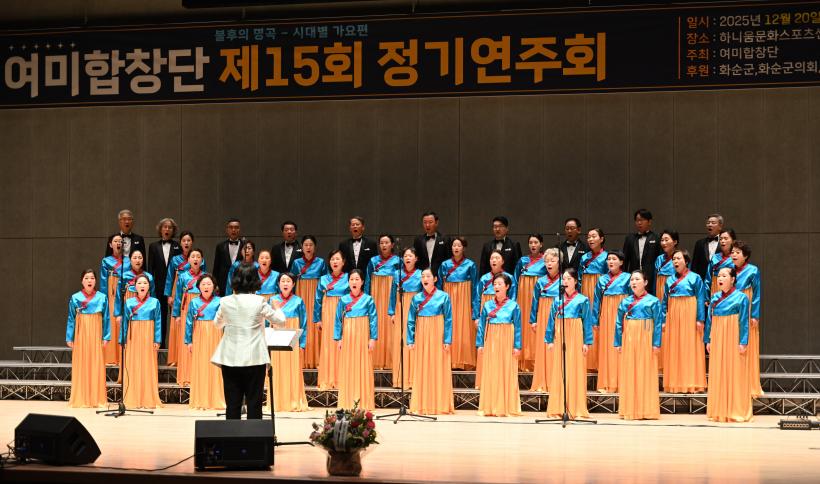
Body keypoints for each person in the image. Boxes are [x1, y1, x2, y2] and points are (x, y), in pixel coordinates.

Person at [211, 264, 286, 420]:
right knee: (254, 403)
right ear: (255, 280)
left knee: (232, 403)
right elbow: (280, 322)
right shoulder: (259, 301)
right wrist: (277, 308)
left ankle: (232, 435)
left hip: (230, 358)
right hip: (254, 358)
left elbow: (217, 324)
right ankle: (254, 435)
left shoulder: (225, 301)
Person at [704, 267, 752, 422]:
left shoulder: (742, 298)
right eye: (719, 276)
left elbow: (744, 322)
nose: (720, 278)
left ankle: (736, 409)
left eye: (724, 276)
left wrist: (743, 341)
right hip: (718, 336)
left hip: (733, 335)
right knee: (718, 369)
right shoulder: (714, 298)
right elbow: (709, 321)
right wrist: (708, 339)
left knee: (735, 370)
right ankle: (719, 409)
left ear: (732, 279)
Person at [614, 271, 662, 420]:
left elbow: (658, 323)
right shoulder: (625, 302)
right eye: (632, 280)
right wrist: (618, 342)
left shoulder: (653, 301)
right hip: (629, 337)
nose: (633, 282)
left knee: (645, 370)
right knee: (629, 370)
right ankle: (630, 408)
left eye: (637, 279)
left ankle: (647, 409)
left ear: (645, 282)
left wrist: (656, 343)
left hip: (646, 335)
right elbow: (618, 323)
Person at [545, 268, 592, 419]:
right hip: (561, 335)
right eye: (564, 279)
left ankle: (576, 407)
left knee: (575, 368)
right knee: (560, 369)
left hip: (576, 335)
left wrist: (587, 342)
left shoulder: (583, 300)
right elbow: (551, 321)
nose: (565, 281)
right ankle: (558, 407)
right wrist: (549, 340)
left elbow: (587, 322)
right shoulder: (557, 300)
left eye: (568, 279)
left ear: (575, 281)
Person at [407, 268, 455, 415]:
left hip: (437, 332)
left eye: (428, 276)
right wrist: (410, 339)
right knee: (422, 365)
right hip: (422, 332)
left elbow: (448, 319)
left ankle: (440, 404)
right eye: (423, 276)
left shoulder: (444, 296)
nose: (425, 279)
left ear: (435, 279)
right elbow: (410, 320)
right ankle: (422, 403)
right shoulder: (416, 298)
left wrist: (447, 339)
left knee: (438, 365)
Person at [476, 273, 522, 417]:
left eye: (500, 284)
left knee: (506, 370)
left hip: (507, 339)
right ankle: (490, 406)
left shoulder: (514, 306)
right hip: (491, 340)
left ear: (507, 287)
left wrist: (517, 346)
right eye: (495, 284)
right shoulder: (487, 305)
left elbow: (518, 327)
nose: (496, 286)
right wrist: (480, 344)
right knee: (491, 370)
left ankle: (506, 406)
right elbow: (482, 326)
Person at [661, 249, 707, 393]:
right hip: (674, 314)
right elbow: (664, 302)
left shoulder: (695, 278)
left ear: (686, 261)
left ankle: (692, 382)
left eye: (678, 258)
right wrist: (663, 320)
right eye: (673, 259)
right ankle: (675, 382)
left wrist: (700, 319)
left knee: (690, 346)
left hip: (690, 313)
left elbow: (700, 299)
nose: (675, 261)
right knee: (675, 346)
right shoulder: (669, 280)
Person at [334, 269, 378, 411]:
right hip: (348, 336)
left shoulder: (368, 299)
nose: (354, 282)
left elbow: (373, 320)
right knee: (348, 366)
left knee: (363, 366)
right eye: (352, 279)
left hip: (363, 335)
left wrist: (373, 338)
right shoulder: (343, 300)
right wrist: (338, 338)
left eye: (357, 279)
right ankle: (347, 401)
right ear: (348, 282)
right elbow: (338, 320)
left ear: (362, 282)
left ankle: (363, 401)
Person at [66, 269, 110, 408]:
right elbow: (71, 319)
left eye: (92, 278)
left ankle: (96, 398)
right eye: (86, 278)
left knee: (96, 364)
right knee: (82, 364)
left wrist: (106, 336)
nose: (89, 280)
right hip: (81, 335)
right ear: (82, 281)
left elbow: (107, 318)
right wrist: (69, 337)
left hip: (96, 334)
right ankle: (82, 397)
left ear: (95, 281)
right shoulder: (75, 298)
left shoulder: (102, 297)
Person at [475, 250, 517, 388]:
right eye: (492, 258)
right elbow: (477, 298)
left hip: (504, 312)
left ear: (502, 261)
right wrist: (476, 316)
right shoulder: (484, 278)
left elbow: (513, 297)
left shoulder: (509, 278)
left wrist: (506, 310)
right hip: (488, 311)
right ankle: (485, 382)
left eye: (497, 258)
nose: (494, 260)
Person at [268, 272, 309, 412]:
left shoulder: (298, 301)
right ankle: (277, 402)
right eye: (283, 281)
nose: (285, 283)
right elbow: (267, 323)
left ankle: (293, 401)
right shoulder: (272, 300)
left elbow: (303, 324)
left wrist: (302, 344)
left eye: (288, 281)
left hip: (293, 339)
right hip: (276, 338)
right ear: (278, 284)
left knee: (293, 370)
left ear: (293, 284)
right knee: (277, 369)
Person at [120, 274, 162, 409]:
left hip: (148, 335)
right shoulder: (129, 302)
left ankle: (148, 398)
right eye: (139, 283)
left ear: (149, 286)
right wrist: (123, 339)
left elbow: (158, 322)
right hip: (133, 336)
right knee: (134, 364)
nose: (142, 285)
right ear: (135, 286)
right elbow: (124, 322)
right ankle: (133, 397)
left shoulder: (155, 302)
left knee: (148, 365)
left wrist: (157, 339)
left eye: (145, 283)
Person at [437, 237, 479, 371]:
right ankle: (449, 360)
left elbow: (475, 287)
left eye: (459, 245)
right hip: (448, 298)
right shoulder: (444, 265)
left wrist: (474, 308)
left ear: (464, 248)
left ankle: (463, 361)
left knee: (463, 328)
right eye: (454, 245)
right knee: (449, 326)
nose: (456, 248)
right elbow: (438, 287)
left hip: (464, 301)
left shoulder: (470, 265)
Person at [164, 231, 205, 367]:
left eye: (189, 240)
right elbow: (170, 277)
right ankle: (177, 357)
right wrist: (169, 295)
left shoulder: (200, 260)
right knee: (179, 326)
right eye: (184, 240)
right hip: (181, 293)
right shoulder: (175, 260)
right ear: (180, 243)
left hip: (197, 294)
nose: (186, 243)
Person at [591, 251, 631, 392]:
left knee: (623, 345)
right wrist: (595, 321)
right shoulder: (602, 279)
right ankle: (608, 381)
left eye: (614, 259)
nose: (611, 261)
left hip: (623, 313)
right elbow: (596, 301)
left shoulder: (628, 278)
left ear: (621, 262)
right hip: (607, 314)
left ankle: (624, 381)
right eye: (608, 259)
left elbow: (633, 298)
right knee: (608, 346)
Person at [184, 274, 225, 410]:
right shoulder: (194, 302)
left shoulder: (220, 301)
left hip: (216, 333)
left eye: (209, 284)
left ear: (214, 286)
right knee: (200, 365)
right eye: (203, 284)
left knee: (215, 366)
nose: (206, 286)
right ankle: (200, 399)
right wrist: (188, 341)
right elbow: (189, 322)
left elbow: (225, 321)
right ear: (199, 287)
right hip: (199, 334)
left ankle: (216, 399)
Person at [314, 250, 349, 390]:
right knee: (328, 344)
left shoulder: (349, 278)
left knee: (342, 343)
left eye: (337, 259)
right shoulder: (323, 279)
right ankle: (328, 378)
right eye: (332, 259)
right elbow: (317, 300)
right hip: (328, 313)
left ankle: (342, 378)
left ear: (343, 262)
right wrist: (317, 319)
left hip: (344, 312)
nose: (335, 262)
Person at [731, 240, 763, 397]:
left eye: (737, 252)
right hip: (731, 308)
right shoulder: (729, 270)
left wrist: (754, 315)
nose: (734, 255)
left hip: (746, 306)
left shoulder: (753, 270)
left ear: (745, 256)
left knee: (746, 344)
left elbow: (756, 294)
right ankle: (734, 383)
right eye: (732, 252)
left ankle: (749, 384)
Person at [365, 234, 400, 370]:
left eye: (387, 242)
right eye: (381, 243)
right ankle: (376, 359)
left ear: (392, 245)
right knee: (376, 323)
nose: (384, 245)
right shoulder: (373, 261)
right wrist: (366, 298)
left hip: (391, 295)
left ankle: (391, 361)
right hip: (377, 294)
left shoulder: (398, 261)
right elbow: (368, 280)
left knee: (390, 325)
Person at [292, 235, 328, 370]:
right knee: (303, 322)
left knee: (315, 324)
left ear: (315, 247)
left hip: (316, 295)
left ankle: (317, 359)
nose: (308, 247)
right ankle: (302, 359)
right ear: (302, 247)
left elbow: (325, 280)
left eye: (311, 245)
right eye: (306, 245)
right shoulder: (296, 263)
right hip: (301, 293)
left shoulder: (321, 262)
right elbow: (292, 282)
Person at [171, 248, 206, 386]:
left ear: (202, 260)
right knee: (187, 341)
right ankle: (186, 376)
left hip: (202, 309)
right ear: (189, 260)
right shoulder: (183, 276)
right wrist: (177, 315)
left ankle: (200, 375)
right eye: (193, 256)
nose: (195, 259)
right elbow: (178, 297)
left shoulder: (206, 277)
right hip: (186, 310)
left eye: (198, 256)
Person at [389, 247, 422, 389]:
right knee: (400, 340)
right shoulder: (397, 274)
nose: (407, 258)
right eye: (405, 256)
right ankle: (400, 379)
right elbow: (392, 294)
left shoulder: (421, 274)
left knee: (413, 340)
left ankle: (414, 379)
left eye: (410, 256)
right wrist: (392, 312)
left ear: (416, 259)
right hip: (400, 307)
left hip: (415, 308)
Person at [529, 248, 561, 392]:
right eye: (547, 261)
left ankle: (557, 381)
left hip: (559, 314)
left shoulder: (564, 280)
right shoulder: (540, 282)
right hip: (543, 315)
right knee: (544, 346)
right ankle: (543, 380)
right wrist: (533, 320)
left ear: (559, 263)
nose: (549, 263)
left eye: (553, 261)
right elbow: (534, 302)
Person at [514, 234, 547, 371]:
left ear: (541, 244)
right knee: (524, 323)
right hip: (523, 296)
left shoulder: (546, 260)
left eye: (536, 242)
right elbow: (515, 281)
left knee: (536, 323)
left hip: (538, 295)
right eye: (531, 242)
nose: (533, 245)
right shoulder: (523, 260)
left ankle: (536, 359)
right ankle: (523, 359)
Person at [146, 218, 181, 349]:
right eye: (164, 227)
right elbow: (150, 268)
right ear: (160, 229)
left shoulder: (178, 246)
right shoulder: (153, 246)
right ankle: (160, 346)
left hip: (174, 288)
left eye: (170, 227)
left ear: (173, 230)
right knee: (160, 317)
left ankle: (175, 347)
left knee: (175, 317)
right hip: (159, 287)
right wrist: (150, 287)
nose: (167, 229)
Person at [579, 228, 608, 371]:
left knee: (599, 320)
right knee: (586, 320)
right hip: (585, 289)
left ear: (601, 239)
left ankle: (599, 361)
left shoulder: (607, 257)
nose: (590, 239)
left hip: (600, 290)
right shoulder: (584, 257)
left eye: (594, 236)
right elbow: (579, 278)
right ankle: (587, 360)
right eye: (589, 237)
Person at [100, 234, 129, 366]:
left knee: (123, 319)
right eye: (115, 241)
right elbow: (103, 281)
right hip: (112, 290)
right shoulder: (106, 261)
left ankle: (123, 356)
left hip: (125, 290)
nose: (118, 243)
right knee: (112, 320)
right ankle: (111, 356)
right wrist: (104, 298)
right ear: (110, 245)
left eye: (120, 241)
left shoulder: (128, 260)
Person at [654, 229, 679, 371]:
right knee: (661, 321)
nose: (663, 243)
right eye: (662, 240)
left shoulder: (679, 257)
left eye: (667, 240)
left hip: (674, 291)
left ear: (675, 242)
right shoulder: (659, 259)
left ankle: (672, 359)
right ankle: (661, 359)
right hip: (660, 289)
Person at [622, 209, 661, 294]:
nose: (639, 223)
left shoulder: (657, 238)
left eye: (642, 220)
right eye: (637, 220)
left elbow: (660, 260)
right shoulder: (630, 239)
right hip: (633, 278)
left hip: (651, 278)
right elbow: (625, 260)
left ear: (649, 222)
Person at [212, 218, 243, 296]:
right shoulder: (220, 246)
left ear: (239, 229)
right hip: (223, 283)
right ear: (227, 230)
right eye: (231, 227)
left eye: (236, 227)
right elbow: (216, 267)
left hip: (241, 283)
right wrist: (215, 284)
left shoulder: (245, 246)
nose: (233, 230)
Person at [704, 228, 737, 297]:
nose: (722, 241)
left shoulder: (736, 258)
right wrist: (706, 298)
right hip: (716, 290)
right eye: (721, 239)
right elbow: (708, 279)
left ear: (733, 241)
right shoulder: (715, 257)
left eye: (725, 238)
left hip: (732, 291)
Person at [691, 214, 724, 280]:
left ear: (720, 227)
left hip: (720, 280)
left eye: (713, 223)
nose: (710, 225)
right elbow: (694, 265)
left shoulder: (724, 243)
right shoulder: (699, 243)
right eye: (708, 223)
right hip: (702, 281)